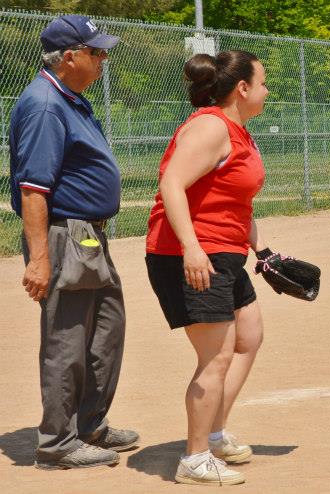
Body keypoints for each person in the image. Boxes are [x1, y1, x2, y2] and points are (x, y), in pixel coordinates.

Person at [7, 14, 139, 470]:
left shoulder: (71, 99)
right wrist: (40, 259)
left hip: (88, 236)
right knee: (68, 337)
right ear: (69, 57)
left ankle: (89, 426)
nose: (104, 59)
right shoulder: (45, 104)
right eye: (96, 51)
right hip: (66, 235)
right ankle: (57, 443)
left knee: (106, 330)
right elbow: (34, 189)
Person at [144, 50, 273, 486]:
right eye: (263, 83)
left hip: (225, 251)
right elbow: (172, 183)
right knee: (214, 358)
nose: (267, 91)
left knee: (248, 338)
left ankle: (214, 433)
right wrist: (192, 249)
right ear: (242, 88)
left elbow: (236, 200)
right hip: (191, 254)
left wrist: (264, 250)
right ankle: (194, 458)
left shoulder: (240, 132)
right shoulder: (211, 126)